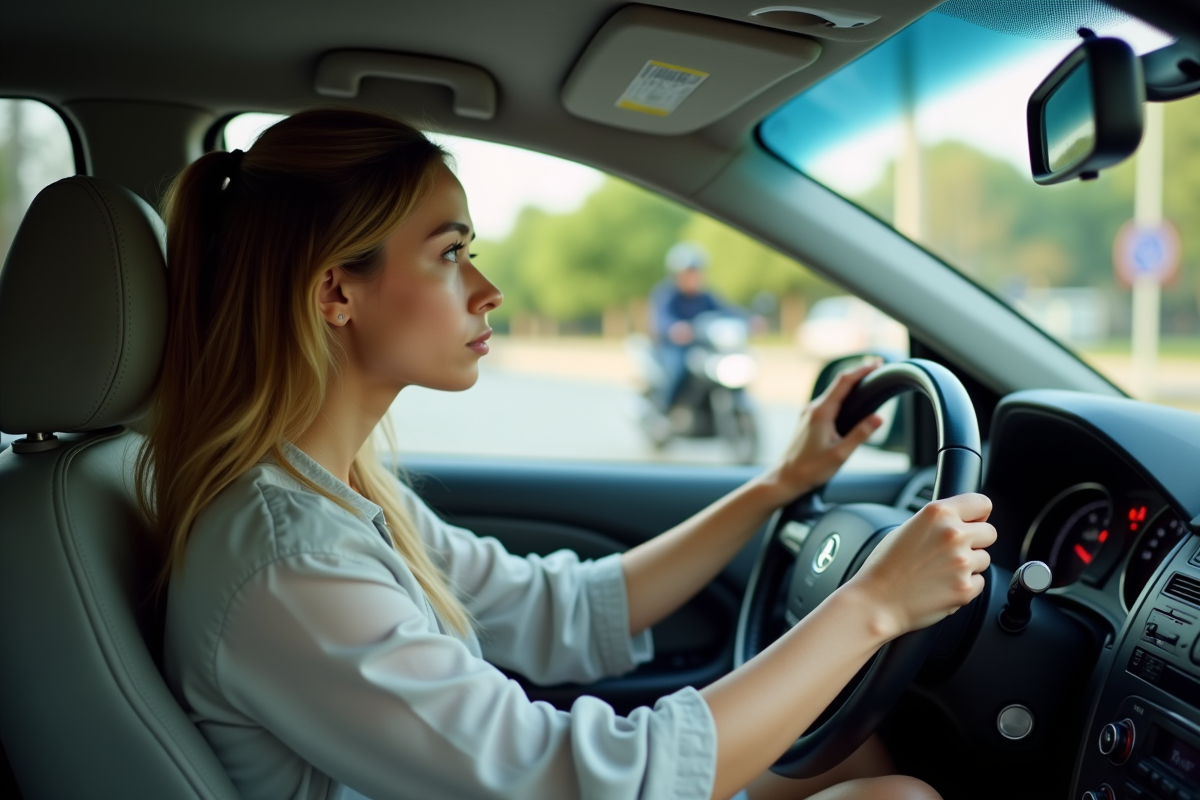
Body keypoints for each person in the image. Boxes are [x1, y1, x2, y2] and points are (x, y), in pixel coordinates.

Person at [140, 109, 996, 800]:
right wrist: (874, 605)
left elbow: (572, 609)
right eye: (450, 254)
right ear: (336, 293)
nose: (488, 289)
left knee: (849, 752)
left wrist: (784, 483)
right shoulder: (290, 560)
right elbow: (573, 783)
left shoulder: (332, 497)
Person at [648, 242, 741, 412]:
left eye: (697, 272)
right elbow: (661, 319)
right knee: (679, 370)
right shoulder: (667, 294)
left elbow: (728, 310)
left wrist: (749, 319)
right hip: (674, 347)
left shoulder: (705, 296)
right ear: (677, 275)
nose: (694, 277)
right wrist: (674, 328)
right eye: (689, 273)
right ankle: (662, 412)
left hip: (702, 346)